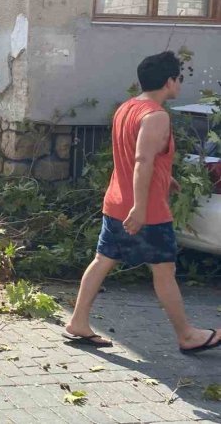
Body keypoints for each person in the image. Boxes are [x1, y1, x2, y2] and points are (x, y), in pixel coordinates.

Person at [64, 51, 220, 355]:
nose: (180, 83)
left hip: (117, 202)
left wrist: (167, 179)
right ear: (169, 81)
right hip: (144, 210)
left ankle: (78, 322)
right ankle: (187, 335)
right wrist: (139, 207)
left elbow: (140, 157)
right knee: (164, 269)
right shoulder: (156, 116)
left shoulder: (127, 109)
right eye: (179, 78)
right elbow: (141, 160)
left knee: (102, 260)